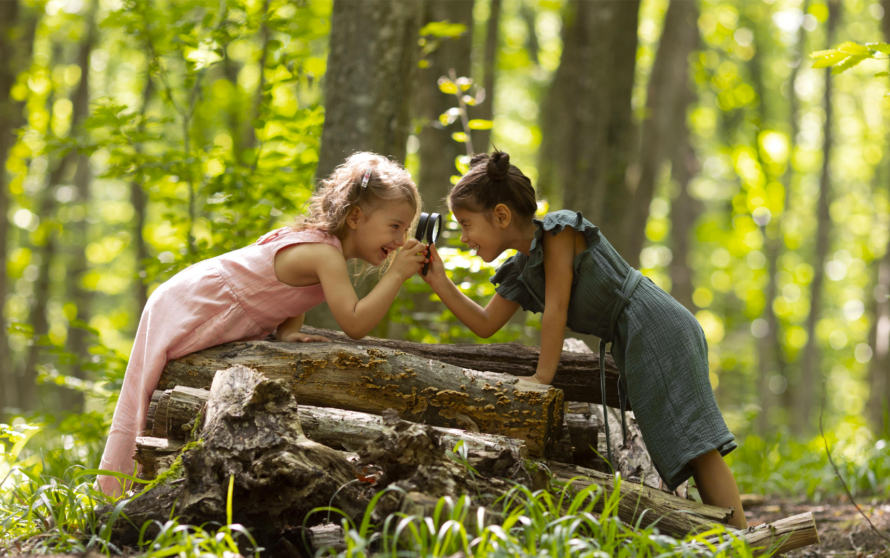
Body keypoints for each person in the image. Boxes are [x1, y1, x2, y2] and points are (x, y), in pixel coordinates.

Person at [421, 151, 747, 528]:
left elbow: (556, 309)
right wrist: (439, 281)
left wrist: (542, 378)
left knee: (697, 446)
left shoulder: (560, 232)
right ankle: (733, 543)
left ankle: (745, 546)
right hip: (636, 335)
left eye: (466, 224)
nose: (463, 238)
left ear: (501, 216)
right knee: (686, 448)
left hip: (655, 324)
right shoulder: (524, 267)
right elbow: (485, 322)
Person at [97, 152, 426, 497]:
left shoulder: (322, 248)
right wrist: (398, 274)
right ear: (356, 217)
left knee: (143, 393)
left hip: (193, 296)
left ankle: (119, 488)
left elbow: (289, 288)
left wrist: (286, 330)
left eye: (405, 230)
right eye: (395, 226)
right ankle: (114, 491)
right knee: (141, 396)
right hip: (197, 302)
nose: (401, 240)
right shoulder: (325, 254)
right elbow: (355, 323)